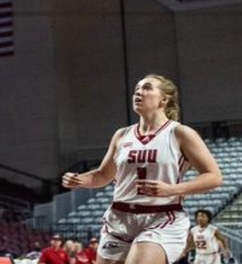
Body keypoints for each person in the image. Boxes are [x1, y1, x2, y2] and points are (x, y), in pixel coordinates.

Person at [62, 75, 222, 264]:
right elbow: (103, 175)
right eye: (136, 89)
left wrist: (172, 189)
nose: (138, 92)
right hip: (119, 217)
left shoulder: (180, 133)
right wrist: (80, 179)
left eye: (147, 88)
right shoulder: (122, 135)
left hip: (162, 217)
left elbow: (214, 177)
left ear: (164, 99)